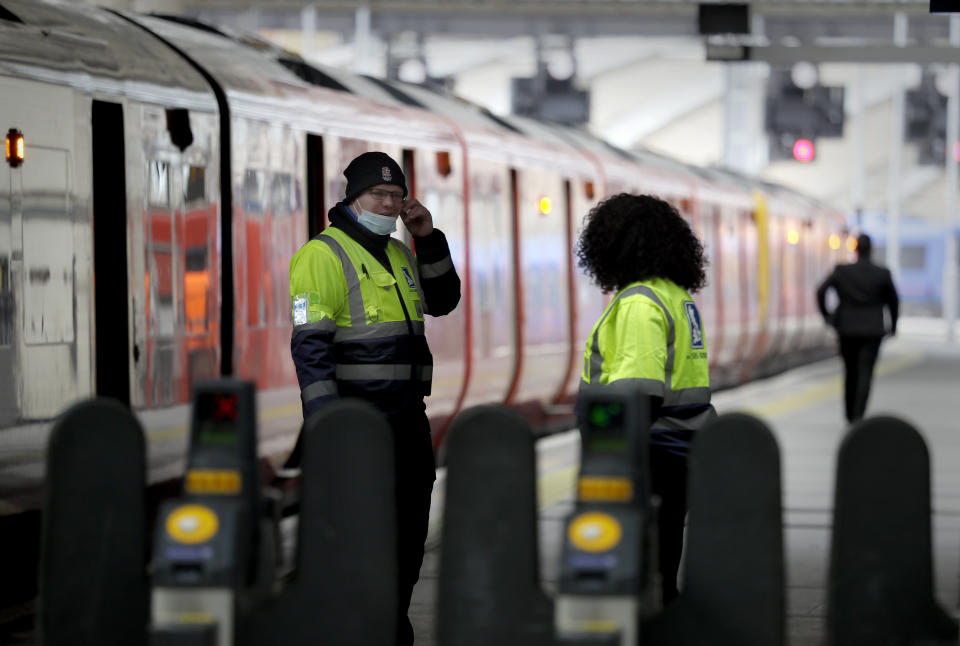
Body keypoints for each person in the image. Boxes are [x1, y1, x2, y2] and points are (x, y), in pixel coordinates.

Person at [288, 151, 460, 645]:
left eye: (395, 196)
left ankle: (390, 627)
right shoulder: (322, 255)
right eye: (377, 195)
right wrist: (329, 431)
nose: (386, 204)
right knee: (367, 546)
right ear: (353, 198)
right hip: (359, 428)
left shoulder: (401, 253)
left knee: (408, 542)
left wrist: (426, 237)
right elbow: (310, 349)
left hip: (408, 422)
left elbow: (443, 299)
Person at [575, 193, 716, 605]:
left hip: (645, 451)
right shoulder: (677, 296)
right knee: (662, 562)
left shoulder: (640, 301)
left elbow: (640, 393)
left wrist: (606, 458)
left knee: (635, 573)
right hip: (680, 449)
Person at [816, 233, 899, 424]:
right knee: (866, 372)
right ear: (870, 250)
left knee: (850, 371)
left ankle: (849, 414)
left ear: (855, 249)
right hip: (872, 330)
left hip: (847, 328)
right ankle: (859, 415)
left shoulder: (842, 271)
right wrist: (893, 326)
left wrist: (828, 317)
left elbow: (821, 291)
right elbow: (893, 301)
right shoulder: (882, 273)